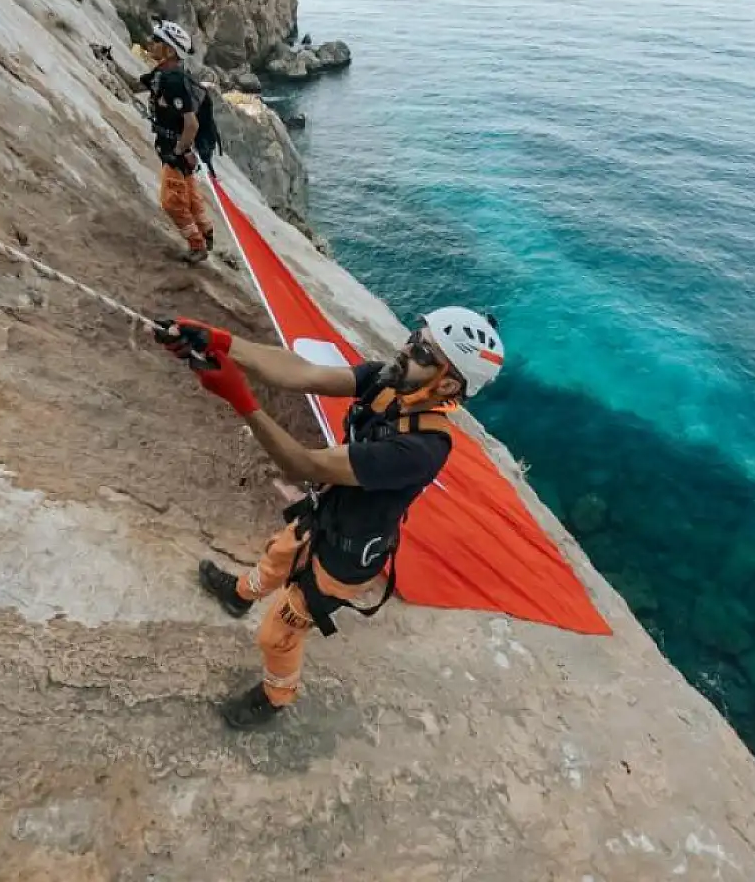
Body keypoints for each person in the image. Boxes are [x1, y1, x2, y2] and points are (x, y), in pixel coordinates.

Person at [157, 308, 507, 729]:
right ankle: (238, 594)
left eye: (422, 351)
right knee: (277, 555)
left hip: (349, 555)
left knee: (278, 634)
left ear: (447, 384)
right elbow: (302, 372)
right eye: (414, 337)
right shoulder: (386, 382)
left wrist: (241, 399)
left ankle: (275, 697)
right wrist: (221, 341)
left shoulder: (423, 448)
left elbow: (306, 464)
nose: (406, 349)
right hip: (327, 513)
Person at [134, 20, 216, 262]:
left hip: (175, 148)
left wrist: (179, 150)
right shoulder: (161, 74)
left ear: (170, 50)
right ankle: (206, 232)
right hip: (175, 146)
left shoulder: (173, 81)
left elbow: (191, 124)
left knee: (171, 201)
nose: (151, 43)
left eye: (157, 41)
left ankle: (197, 245)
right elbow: (138, 83)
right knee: (190, 195)